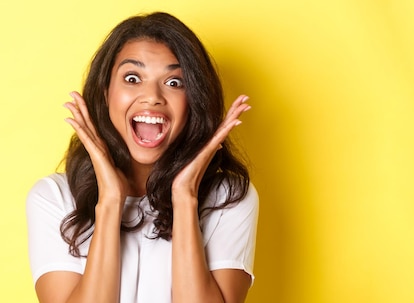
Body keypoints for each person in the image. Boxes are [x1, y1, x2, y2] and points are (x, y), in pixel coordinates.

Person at [25, 12, 258, 303]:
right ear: (106, 93)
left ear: (194, 100)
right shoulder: (54, 198)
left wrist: (185, 197)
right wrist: (110, 199)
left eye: (174, 82)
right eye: (133, 78)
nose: (152, 96)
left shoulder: (229, 196)